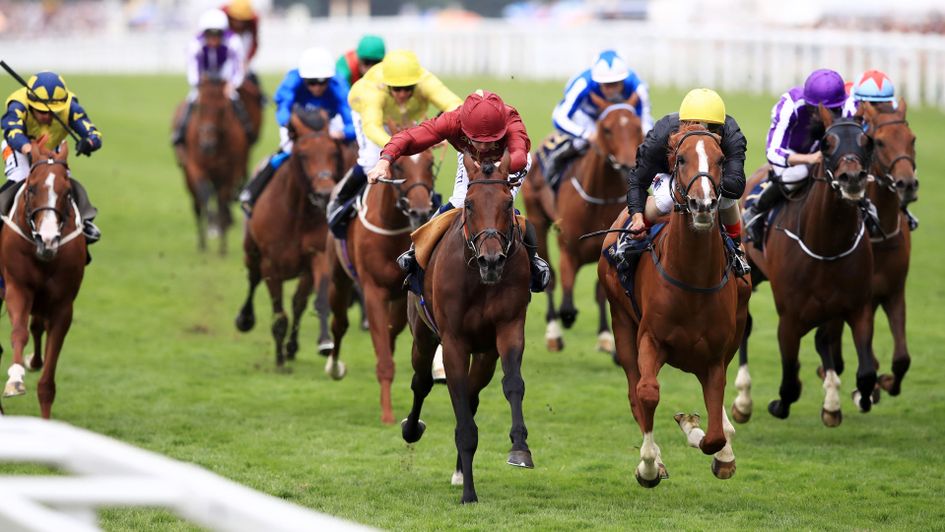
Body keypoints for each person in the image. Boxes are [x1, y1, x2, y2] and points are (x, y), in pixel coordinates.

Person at [366, 90, 550, 292]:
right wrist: (385, 160)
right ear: (464, 127)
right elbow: (410, 137)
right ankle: (416, 251)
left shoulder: (511, 118)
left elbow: (520, 156)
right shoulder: (452, 120)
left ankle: (533, 261)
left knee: (498, 204)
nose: (483, 146)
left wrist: (496, 171)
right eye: (477, 139)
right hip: (471, 160)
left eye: (490, 140)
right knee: (459, 202)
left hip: (508, 164)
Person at [326, 49, 463, 231]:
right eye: (397, 89)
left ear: (417, 82)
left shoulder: (426, 81)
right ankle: (340, 200)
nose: (403, 94)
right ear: (387, 85)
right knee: (371, 160)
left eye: (408, 88)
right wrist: (396, 148)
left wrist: (439, 129)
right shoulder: (372, 91)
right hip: (370, 116)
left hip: (402, 116)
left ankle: (428, 202)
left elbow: (456, 106)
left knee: (418, 160)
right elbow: (372, 127)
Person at [625, 88, 750, 277]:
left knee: (727, 200)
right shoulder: (663, 133)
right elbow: (638, 179)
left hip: (710, 177)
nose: (704, 133)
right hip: (671, 175)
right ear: (682, 124)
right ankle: (630, 242)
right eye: (694, 126)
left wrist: (706, 185)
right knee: (665, 199)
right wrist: (636, 216)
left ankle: (736, 247)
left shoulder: (731, 133)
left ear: (722, 127)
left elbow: (737, 184)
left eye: (713, 129)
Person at [239, 47, 355, 214]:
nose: (317, 87)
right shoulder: (292, 79)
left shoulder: (338, 84)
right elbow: (283, 108)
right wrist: (289, 124)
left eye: (323, 82)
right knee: (286, 149)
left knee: (349, 152)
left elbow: (351, 121)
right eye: (312, 82)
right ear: (303, 78)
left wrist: (344, 133)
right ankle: (251, 193)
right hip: (299, 123)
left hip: (329, 124)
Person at [742, 68, 847, 247]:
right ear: (813, 108)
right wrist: (809, 159)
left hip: (822, 152)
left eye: (835, 110)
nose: (832, 117)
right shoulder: (790, 106)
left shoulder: (842, 106)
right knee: (799, 174)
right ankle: (756, 210)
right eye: (827, 111)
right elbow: (773, 152)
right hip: (790, 157)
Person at [1, 71, 102, 243]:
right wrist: (30, 151)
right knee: (20, 177)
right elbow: (13, 132)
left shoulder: (71, 106)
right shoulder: (18, 104)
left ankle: (84, 223)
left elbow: (94, 134)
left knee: (63, 185)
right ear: (31, 104)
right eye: (41, 112)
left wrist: (88, 143)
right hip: (19, 148)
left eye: (52, 112)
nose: (47, 117)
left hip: (52, 151)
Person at [544, 50, 653, 185]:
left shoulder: (638, 87)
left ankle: (655, 185)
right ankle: (558, 161)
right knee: (586, 140)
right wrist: (586, 135)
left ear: (624, 80)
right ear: (597, 81)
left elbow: (645, 120)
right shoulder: (582, 83)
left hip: (620, 119)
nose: (611, 90)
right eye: (606, 85)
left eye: (616, 84)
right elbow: (559, 117)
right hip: (586, 116)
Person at [172, 8, 253, 146]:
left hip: (224, 75)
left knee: (235, 98)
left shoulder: (234, 41)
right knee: (192, 99)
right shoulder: (195, 44)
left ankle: (248, 131)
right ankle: (180, 131)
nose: (213, 39)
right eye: (210, 34)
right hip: (205, 76)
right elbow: (192, 68)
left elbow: (237, 66)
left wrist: (232, 84)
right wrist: (198, 84)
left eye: (217, 34)